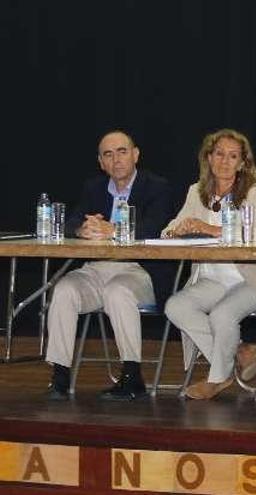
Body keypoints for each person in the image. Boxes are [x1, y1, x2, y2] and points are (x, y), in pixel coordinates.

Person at [46, 130, 174, 401]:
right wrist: (82, 229)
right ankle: (60, 375)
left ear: (136, 155)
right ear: (101, 163)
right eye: (108, 154)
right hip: (96, 269)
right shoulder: (93, 187)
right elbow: (70, 222)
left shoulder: (156, 186)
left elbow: (155, 227)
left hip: (139, 270)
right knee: (64, 289)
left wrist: (111, 229)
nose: (116, 160)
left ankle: (132, 377)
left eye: (122, 152)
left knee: (117, 292)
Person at [162, 129, 256, 400]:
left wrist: (211, 230)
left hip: (249, 279)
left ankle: (218, 378)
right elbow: (169, 228)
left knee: (222, 315)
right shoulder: (197, 191)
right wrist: (176, 231)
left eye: (233, 156)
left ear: (242, 163)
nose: (225, 161)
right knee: (175, 306)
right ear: (209, 158)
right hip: (211, 279)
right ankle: (239, 351)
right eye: (219, 154)